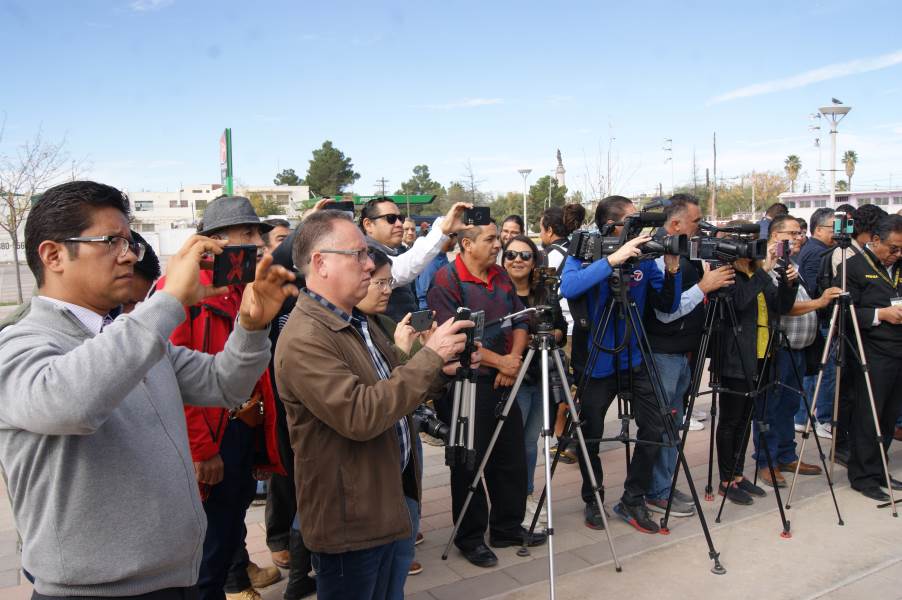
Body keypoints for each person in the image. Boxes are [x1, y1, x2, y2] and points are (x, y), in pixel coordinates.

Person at [0, 180, 296, 599]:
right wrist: (168, 299)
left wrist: (251, 326)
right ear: (53, 255)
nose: (129, 254)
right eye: (111, 241)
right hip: (92, 591)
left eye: (130, 241)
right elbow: (71, 404)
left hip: (175, 576)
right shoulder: (19, 344)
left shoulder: (130, 335)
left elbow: (224, 385)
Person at [274, 210, 476, 599]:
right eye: (358, 255)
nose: (370, 264)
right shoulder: (306, 337)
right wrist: (429, 357)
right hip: (351, 520)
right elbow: (361, 415)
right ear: (321, 263)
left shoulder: (355, 322)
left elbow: (397, 381)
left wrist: (444, 367)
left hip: (385, 501)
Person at [159, 196, 287, 600]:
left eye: (257, 233)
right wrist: (201, 450)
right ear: (214, 240)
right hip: (212, 435)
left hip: (241, 426)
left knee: (232, 520)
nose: (258, 242)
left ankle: (235, 577)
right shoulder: (180, 293)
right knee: (210, 546)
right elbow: (175, 379)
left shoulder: (238, 287)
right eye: (247, 233)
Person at [559, 195, 682, 534]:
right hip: (596, 362)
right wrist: (612, 260)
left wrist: (671, 270)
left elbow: (667, 305)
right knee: (591, 435)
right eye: (634, 222)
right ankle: (592, 498)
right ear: (612, 226)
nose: (642, 229)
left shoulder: (644, 258)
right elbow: (567, 286)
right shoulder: (585, 249)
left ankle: (633, 497)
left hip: (635, 357)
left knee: (657, 426)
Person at [428, 220, 546, 568]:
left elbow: (520, 322)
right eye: (491, 239)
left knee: (509, 457)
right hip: (467, 385)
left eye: (498, 237)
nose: (500, 245)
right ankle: (470, 537)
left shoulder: (500, 276)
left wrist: (513, 361)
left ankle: (507, 527)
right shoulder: (446, 281)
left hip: (504, 380)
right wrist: (502, 364)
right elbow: (457, 337)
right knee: (469, 462)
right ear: (466, 244)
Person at [644, 194, 735, 516]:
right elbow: (664, 312)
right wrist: (704, 287)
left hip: (684, 352)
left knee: (675, 422)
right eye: (697, 221)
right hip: (662, 353)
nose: (702, 227)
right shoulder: (657, 255)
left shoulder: (687, 251)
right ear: (676, 223)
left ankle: (663, 485)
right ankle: (654, 490)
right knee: (664, 423)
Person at [356, 248, 432, 579]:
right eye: (379, 282)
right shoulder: (335, 336)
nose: (388, 290)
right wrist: (406, 352)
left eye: (390, 282)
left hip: (401, 463)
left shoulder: (382, 323)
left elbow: (419, 384)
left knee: (395, 573)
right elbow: (371, 405)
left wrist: (434, 354)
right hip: (369, 480)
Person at [752, 214, 840, 488]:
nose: (799, 236)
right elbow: (783, 307)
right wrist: (820, 302)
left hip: (798, 349)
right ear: (775, 236)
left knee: (789, 406)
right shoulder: (766, 266)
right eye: (792, 232)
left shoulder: (792, 263)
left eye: (800, 232)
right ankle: (767, 462)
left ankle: (787, 455)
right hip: (777, 349)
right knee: (769, 408)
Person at [714, 220, 796, 506]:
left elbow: (781, 307)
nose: (755, 248)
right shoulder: (725, 272)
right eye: (750, 242)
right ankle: (726, 479)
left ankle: (737, 473)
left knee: (747, 418)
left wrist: (787, 281)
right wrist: (763, 270)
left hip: (762, 355)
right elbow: (738, 304)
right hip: (735, 358)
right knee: (731, 420)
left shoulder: (756, 273)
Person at [835, 214, 902, 502]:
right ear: (875, 241)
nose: (897, 254)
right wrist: (879, 315)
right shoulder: (854, 268)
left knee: (888, 416)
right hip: (870, 353)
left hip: (898, 351)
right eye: (893, 248)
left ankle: (879, 469)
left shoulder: (898, 267)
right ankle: (862, 476)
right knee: (868, 417)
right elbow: (840, 314)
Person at [501, 234, 566, 527]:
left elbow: (561, 327)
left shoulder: (545, 291)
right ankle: (509, 502)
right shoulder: (498, 292)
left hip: (541, 374)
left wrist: (551, 334)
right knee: (512, 443)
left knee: (531, 442)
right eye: (512, 254)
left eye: (525, 256)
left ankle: (525, 496)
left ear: (534, 261)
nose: (518, 260)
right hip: (512, 375)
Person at [359, 197, 470, 321]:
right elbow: (402, 268)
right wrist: (442, 230)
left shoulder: (396, 251)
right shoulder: (364, 255)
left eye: (400, 218)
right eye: (391, 219)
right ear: (368, 225)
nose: (399, 224)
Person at [794, 207, 836, 439]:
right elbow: (810, 289)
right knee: (821, 372)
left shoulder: (819, 250)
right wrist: (823, 301)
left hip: (817, 318)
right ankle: (821, 419)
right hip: (817, 319)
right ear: (818, 229)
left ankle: (803, 418)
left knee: (812, 373)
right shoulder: (816, 253)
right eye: (834, 228)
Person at [415, 235, 455, 309]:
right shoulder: (430, 260)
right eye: (453, 236)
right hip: (430, 311)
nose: (455, 240)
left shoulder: (443, 257)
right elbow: (424, 293)